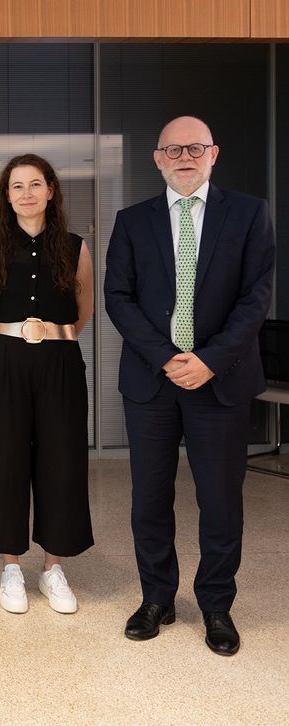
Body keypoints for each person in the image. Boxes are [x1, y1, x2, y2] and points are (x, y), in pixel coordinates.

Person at [105, 116, 275, 656]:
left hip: (220, 380)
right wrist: (166, 358)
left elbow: (256, 298)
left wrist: (208, 360)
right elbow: (118, 297)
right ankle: (157, 598)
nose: (185, 157)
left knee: (220, 500)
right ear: (158, 158)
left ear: (213, 154)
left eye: (195, 148)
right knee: (150, 498)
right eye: (174, 150)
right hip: (152, 381)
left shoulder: (248, 214)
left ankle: (217, 605)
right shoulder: (132, 221)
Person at [0, 153, 94, 615]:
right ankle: (10, 566)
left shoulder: (75, 247)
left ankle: (53, 568)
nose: (26, 193)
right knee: (4, 458)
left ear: (50, 191)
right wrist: (11, 342)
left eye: (35, 184)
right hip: (5, 360)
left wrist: (51, 340)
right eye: (17, 186)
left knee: (61, 459)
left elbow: (84, 310)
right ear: (6, 196)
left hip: (60, 360)